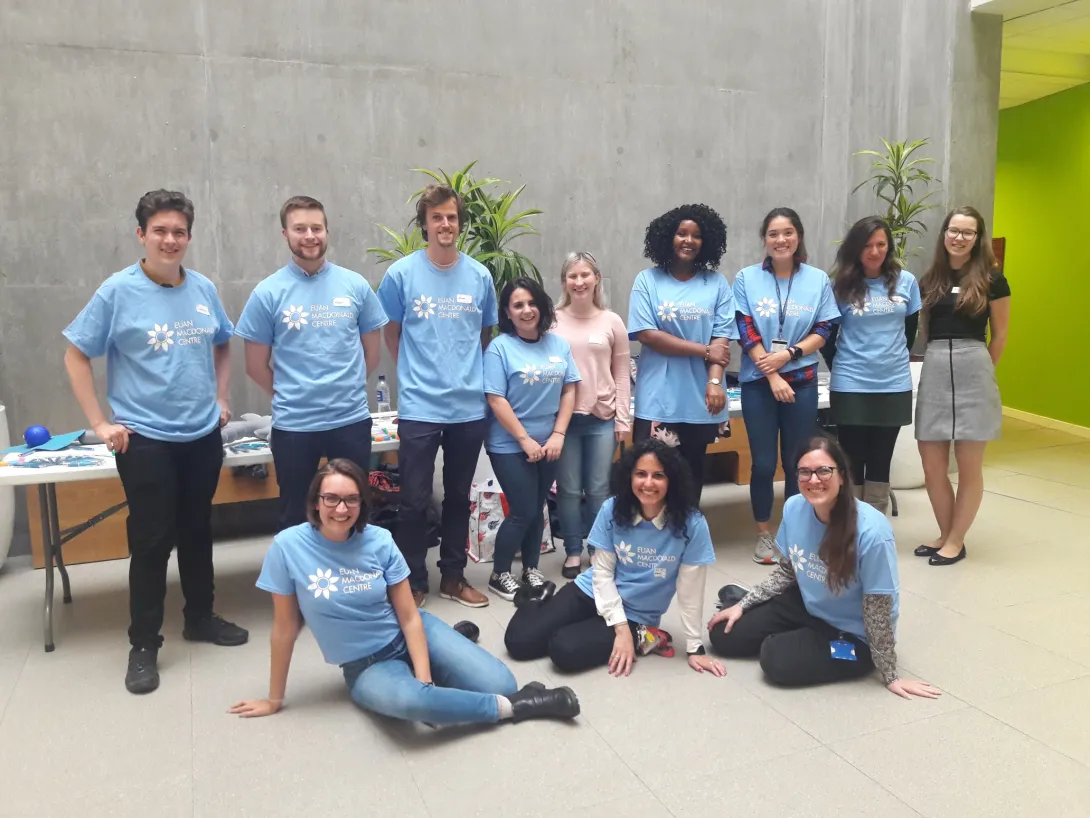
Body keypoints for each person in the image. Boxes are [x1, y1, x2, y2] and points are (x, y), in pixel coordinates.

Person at [229, 459, 580, 727]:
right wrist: (274, 699)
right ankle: (517, 707)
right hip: (364, 666)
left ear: (363, 503)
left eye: (351, 499)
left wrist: (425, 679)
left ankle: (435, 656)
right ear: (316, 501)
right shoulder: (288, 547)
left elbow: (409, 615)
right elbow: (285, 629)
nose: (341, 509)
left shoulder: (379, 541)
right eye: (331, 498)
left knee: (501, 681)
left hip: (407, 631)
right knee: (417, 707)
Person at [63, 189, 247, 695]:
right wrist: (100, 423)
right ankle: (144, 644)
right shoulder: (117, 292)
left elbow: (222, 343)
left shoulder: (204, 288)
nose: (170, 239)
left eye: (179, 232)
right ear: (142, 234)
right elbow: (77, 355)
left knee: (197, 531)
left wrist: (221, 397)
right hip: (144, 439)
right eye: (160, 231)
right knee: (149, 542)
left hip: (200, 436)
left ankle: (200, 619)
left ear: (189, 236)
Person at [708, 435, 939, 698]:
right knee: (721, 634)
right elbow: (788, 571)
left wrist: (890, 674)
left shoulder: (873, 532)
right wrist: (744, 605)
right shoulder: (795, 507)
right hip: (807, 603)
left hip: (853, 634)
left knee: (775, 659)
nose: (814, 480)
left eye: (824, 471)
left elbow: (877, 606)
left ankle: (790, 632)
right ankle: (742, 599)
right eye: (804, 472)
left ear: (841, 475)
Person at [505, 439, 726, 677]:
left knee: (563, 650)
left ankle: (644, 634)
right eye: (641, 474)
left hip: (635, 613)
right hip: (592, 591)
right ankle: (540, 599)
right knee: (519, 642)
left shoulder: (692, 524)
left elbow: (690, 589)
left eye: (658, 476)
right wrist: (619, 630)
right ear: (629, 477)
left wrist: (695, 648)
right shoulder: (612, 509)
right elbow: (602, 573)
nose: (648, 483)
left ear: (672, 481)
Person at [376, 184, 497, 608]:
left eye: (452, 218)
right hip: (420, 407)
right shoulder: (401, 275)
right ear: (424, 223)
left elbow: (484, 335)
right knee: (412, 498)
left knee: (459, 496)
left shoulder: (480, 276)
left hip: (467, 407)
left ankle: (453, 576)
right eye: (437, 218)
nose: (445, 225)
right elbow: (391, 332)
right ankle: (413, 580)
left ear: (459, 224)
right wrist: (416, 373)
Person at [235, 196, 389, 529]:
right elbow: (254, 364)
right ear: (285, 234)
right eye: (299, 228)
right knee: (296, 514)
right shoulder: (268, 292)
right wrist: (293, 393)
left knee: (356, 511)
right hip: (294, 426)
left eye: (316, 228)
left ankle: (353, 578)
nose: (309, 235)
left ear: (327, 231)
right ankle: (299, 581)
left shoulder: (354, 285)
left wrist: (344, 387)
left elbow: (372, 353)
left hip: (350, 420)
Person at [734, 207, 840, 564]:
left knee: (799, 463)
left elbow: (824, 330)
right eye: (774, 234)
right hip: (758, 382)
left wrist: (789, 355)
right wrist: (773, 373)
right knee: (763, 463)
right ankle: (764, 534)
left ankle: (798, 534)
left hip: (803, 382)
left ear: (799, 237)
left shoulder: (818, 279)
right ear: (764, 240)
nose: (781, 240)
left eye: (788, 233)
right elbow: (745, 329)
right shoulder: (746, 278)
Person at [914, 207, 1011, 566]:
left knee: (969, 465)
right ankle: (944, 532)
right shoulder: (930, 279)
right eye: (954, 231)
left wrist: (982, 369)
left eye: (968, 233)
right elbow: (924, 330)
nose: (959, 238)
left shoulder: (993, 279)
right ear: (944, 234)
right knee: (931, 464)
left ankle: (956, 540)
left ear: (977, 238)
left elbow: (1000, 336)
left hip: (974, 368)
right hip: (936, 365)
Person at [627, 204, 736, 503]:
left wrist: (714, 383)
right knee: (651, 475)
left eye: (697, 236)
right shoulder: (647, 281)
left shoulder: (716, 283)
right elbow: (647, 334)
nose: (688, 240)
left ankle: (685, 537)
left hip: (699, 397)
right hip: (658, 398)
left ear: (707, 242)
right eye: (681, 233)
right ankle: (650, 540)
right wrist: (704, 350)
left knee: (692, 475)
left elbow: (722, 339)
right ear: (668, 237)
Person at [483, 277, 580, 602]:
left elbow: (569, 389)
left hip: (549, 443)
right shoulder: (500, 348)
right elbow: (496, 399)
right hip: (510, 444)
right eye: (517, 305)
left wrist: (558, 434)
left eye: (531, 303)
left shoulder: (558, 345)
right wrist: (524, 440)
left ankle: (531, 568)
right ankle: (499, 575)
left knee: (536, 507)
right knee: (523, 510)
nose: (526, 310)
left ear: (542, 306)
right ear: (508, 313)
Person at [823, 216, 922, 514]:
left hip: (893, 384)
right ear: (856, 248)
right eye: (867, 245)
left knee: (881, 457)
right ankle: (851, 522)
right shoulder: (839, 285)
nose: (875, 251)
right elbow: (828, 337)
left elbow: (909, 331)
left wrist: (887, 359)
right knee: (852, 456)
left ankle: (876, 522)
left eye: (881, 244)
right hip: (851, 382)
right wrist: (845, 363)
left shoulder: (906, 281)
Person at [552, 252, 631, 579]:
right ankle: (572, 550)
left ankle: (599, 549)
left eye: (585, 275)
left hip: (602, 417)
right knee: (569, 490)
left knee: (599, 489)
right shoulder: (552, 321)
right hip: (565, 421)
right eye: (573, 276)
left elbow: (623, 373)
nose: (579, 281)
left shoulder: (611, 321)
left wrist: (623, 419)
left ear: (597, 278)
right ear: (564, 282)